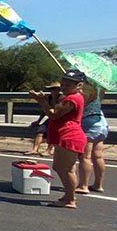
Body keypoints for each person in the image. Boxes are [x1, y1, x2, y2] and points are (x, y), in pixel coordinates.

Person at [29, 69, 88, 208]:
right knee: (63, 168)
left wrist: (42, 101)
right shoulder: (71, 97)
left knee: (65, 169)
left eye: (69, 84)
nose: (64, 86)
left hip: (69, 136)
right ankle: (68, 197)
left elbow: (54, 114)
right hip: (67, 136)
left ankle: (70, 199)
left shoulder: (72, 99)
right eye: (64, 83)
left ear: (79, 85)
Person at [77, 84, 108, 193]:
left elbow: (82, 103)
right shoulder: (100, 87)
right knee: (98, 156)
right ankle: (98, 184)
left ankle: (83, 185)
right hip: (101, 121)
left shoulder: (86, 88)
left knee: (85, 156)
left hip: (89, 121)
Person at [24, 83, 60, 156]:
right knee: (40, 131)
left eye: (55, 89)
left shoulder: (61, 98)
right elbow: (45, 111)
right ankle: (35, 149)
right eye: (51, 89)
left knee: (53, 133)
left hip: (58, 118)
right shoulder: (49, 98)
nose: (53, 91)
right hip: (51, 118)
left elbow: (57, 111)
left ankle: (48, 150)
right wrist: (38, 121)